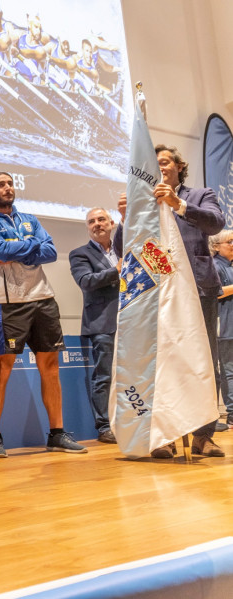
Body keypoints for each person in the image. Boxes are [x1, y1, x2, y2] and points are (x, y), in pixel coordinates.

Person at [117, 145, 226, 457]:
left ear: (179, 166)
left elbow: (216, 224)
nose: (160, 168)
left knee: (205, 361)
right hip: (157, 295)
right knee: (162, 363)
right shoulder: (142, 201)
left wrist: (178, 204)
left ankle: (203, 436)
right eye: (155, 164)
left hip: (199, 289)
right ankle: (163, 435)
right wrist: (126, 218)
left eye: (165, 162)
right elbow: (123, 248)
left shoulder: (199, 194)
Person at [0, 172, 87, 455]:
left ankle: (57, 434)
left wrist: (18, 251)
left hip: (44, 299)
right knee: (2, 370)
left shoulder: (30, 219)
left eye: (10, 183)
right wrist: (30, 246)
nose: (8, 188)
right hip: (10, 303)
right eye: (1, 184)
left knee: (50, 368)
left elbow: (49, 252)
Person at [68, 208, 120, 444]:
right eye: (92, 221)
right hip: (102, 323)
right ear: (87, 227)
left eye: (101, 220)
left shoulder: (125, 250)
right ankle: (104, 426)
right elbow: (86, 282)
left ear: (111, 223)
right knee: (104, 377)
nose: (97, 224)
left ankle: (131, 421)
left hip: (132, 320)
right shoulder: (79, 254)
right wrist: (115, 271)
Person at [211, 230, 233, 427]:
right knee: (228, 371)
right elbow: (215, 293)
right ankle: (231, 413)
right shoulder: (215, 265)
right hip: (224, 325)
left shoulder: (230, 266)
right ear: (217, 246)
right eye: (230, 241)